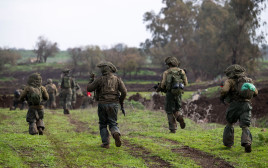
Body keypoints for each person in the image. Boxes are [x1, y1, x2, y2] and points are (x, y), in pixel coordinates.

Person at [87, 62, 127, 149]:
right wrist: (120, 101)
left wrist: (91, 80)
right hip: (114, 104)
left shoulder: (99, 79)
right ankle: (115, 133)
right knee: (113, 123)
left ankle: (106, 143)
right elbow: (124, 92)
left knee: (103, 124)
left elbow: (89, 89)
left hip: (102, 104)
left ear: (103, 70)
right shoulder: (117, 79)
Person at [220, 64, 258, 153]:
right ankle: (247, 142)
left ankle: (228, 143)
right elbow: (256, 92)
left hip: (234, 105)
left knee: (230, 123)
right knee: (245, 126)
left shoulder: (230, 81)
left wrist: (222, 97)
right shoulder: (248, 81)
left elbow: (224, 90)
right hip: (246, 105)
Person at [156, 56, 188, 133]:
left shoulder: (166, 72)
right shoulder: (182, 71)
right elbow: (186, 83)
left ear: (168, 64)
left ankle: (173, 128)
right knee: (177, 109)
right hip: (179, 93)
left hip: (170, 93)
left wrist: (159, 88)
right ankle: (179, 116)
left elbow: (163, 84)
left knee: (169, 110)